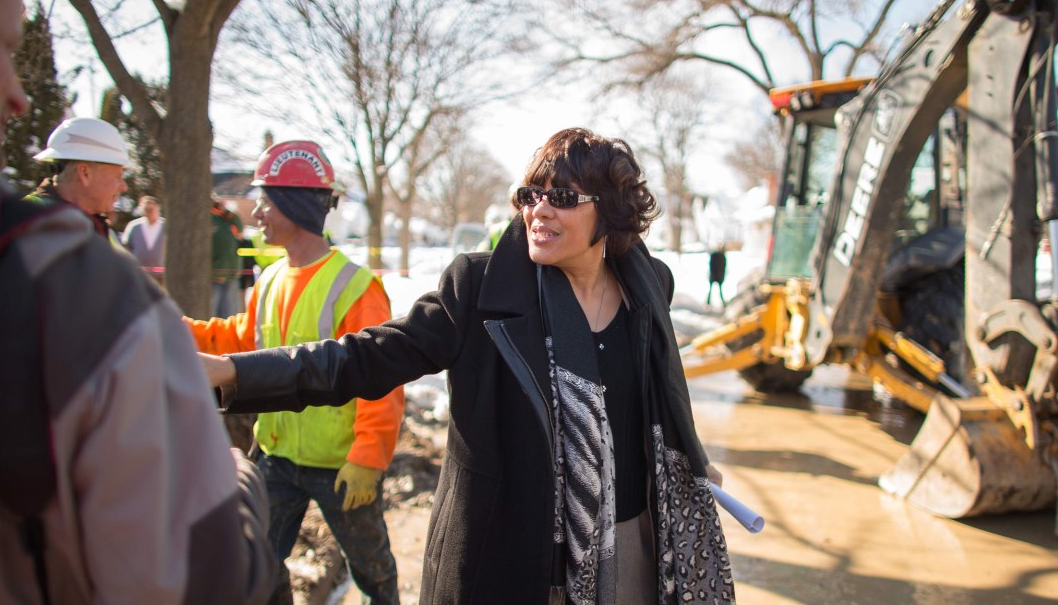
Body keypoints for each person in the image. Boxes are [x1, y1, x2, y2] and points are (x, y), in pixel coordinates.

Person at [203, 128, 736, 604]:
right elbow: (363, 356)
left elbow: (659, 388)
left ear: (612, 212)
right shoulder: (479, 290)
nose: (539, 211)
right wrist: (233, 373)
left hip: (628, 548)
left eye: (563, 198)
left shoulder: (649, 286)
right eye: (530, 195)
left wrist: (689, 452)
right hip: (511, 560)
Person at [0, 0, 276, 602]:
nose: (16, 96)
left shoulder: (66, 241)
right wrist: (236, 476)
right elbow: (195, 574)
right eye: (5, 47)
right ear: (83, 171)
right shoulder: (57, 268)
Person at [186, 140, 405, 605]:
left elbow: (381, 380)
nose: (256, 214)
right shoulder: (268, 279)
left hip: (341, 463)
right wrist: (180, 332)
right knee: (255, 565)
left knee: (373, 574)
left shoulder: (356, 287)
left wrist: (368, 457)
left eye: (265, 201)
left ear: (294, 205)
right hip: (277, 456)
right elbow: (242, 341)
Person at [28, 116, 130, 247]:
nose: (124, 187)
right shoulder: (28, 222)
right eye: (118, 176)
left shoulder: (97, 226)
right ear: (85, 173)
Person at [211, 194, 245, 317]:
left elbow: (240, 229)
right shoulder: (208, 218)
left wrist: (227, 213)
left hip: (230, 274)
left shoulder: (226, 220)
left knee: (230, 314)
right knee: (212, 313)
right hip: (214, 275)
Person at [122, 194, 166, 282]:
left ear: (157, 209)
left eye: (151, 210)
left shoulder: (166, 226)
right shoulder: (134, 226)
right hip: (139, 275)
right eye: (146, 210)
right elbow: (126, 246)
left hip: (162, 276)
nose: (148, 212)